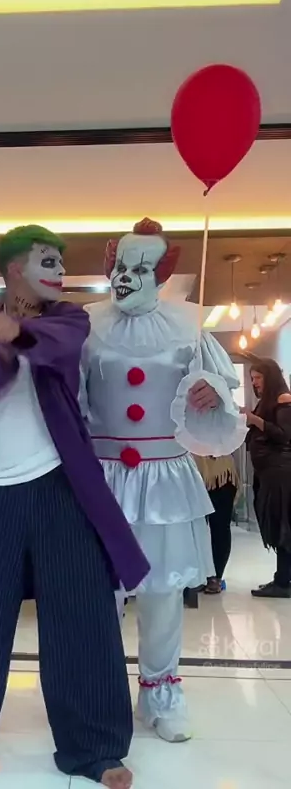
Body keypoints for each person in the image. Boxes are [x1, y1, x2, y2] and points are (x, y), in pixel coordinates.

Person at [0, 224, 149, 789]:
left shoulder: (68, 320)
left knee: (82, 617)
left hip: (60, 488)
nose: (59, 271)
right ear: (15, 268)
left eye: (60, 262)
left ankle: (95, 748)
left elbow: (58, 348)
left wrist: (16, 333)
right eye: (48, 260)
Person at [80, 218, 246, 744]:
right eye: (120, 265)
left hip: (164, 477)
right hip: (102, 476)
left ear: (161, 274)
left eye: (141, 267)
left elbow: (218, 407)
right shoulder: (85, 325)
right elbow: (69, 402)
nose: (126, 276)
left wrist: (211, 393)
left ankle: (160, 693)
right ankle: (98, 694)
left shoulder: (188, 328)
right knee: (98, 592)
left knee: (162, 591)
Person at [244, 357, 291, 598]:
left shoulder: (284, 399)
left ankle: (283, 582)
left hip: (280, 473)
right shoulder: (267, 402)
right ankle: (282, 578)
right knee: (276, 524)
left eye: (258, 378)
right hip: (268, 473)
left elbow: (284, 435)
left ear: (270, 377)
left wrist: (255, 420)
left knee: (282, 526)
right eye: (252, 378)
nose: (254, 383)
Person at [193, 454, 240, 593]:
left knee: (220, 529)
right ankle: (200, 575)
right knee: (195, 530)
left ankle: (216, 577)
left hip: (221, 474)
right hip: (194, 472)